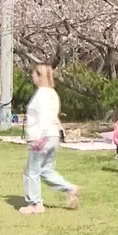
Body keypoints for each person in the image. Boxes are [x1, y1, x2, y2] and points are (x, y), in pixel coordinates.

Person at [20, 64, 80, 215]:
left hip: (44, 135)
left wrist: (39, 136)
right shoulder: (52, 93)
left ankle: (35, 204)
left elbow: (44, 116)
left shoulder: (42, 94)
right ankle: (70, 188)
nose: (32, 77)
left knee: (31, 171)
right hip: (53, 135)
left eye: (34, 74)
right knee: (46, 170)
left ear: (40, 76)